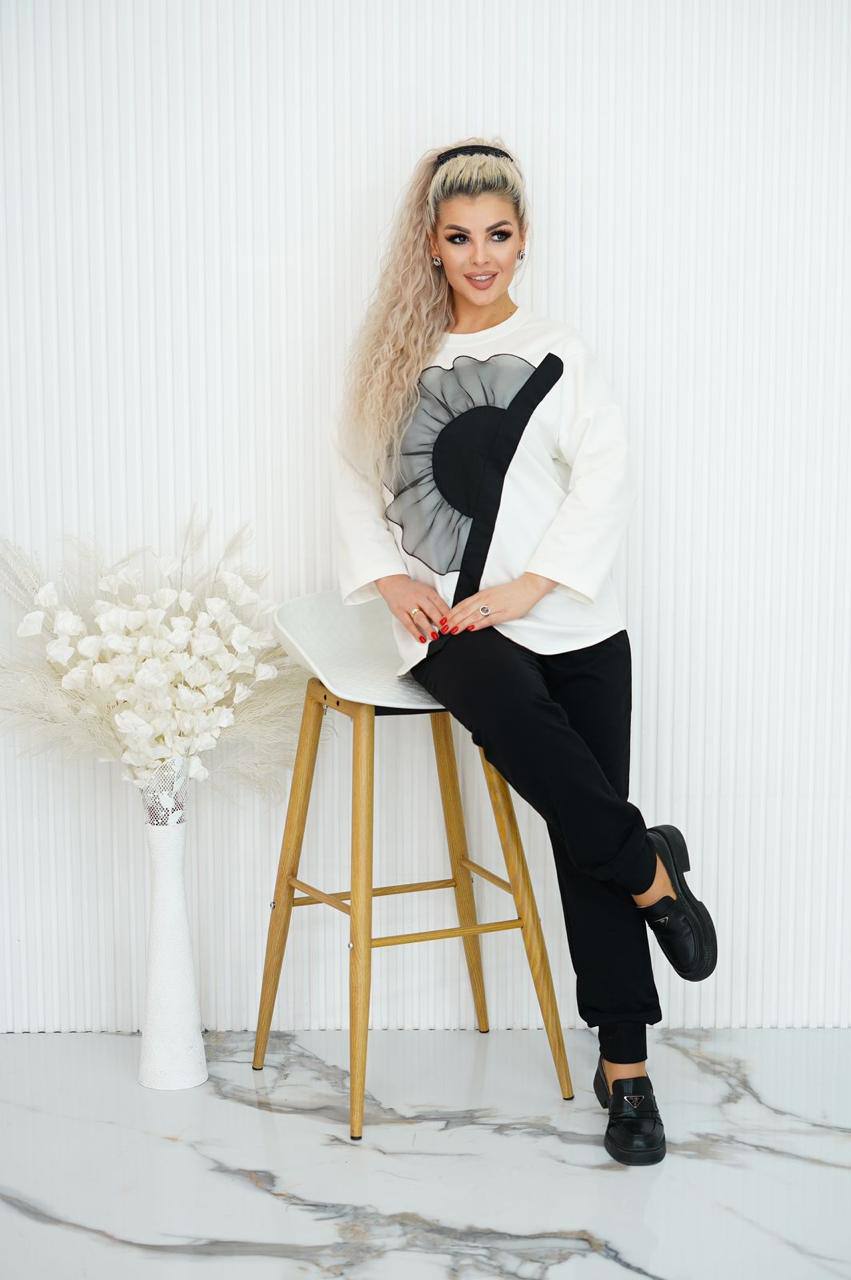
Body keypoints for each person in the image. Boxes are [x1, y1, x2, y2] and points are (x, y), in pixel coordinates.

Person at [330, 136, 717, 1167]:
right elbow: (351, 480)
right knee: (596, 818)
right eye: (459, 238)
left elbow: (603, 479)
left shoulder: (558, 348)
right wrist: (392, 581)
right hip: (452, 625)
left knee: (580, 831)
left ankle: (624, 1071)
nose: (479, 256)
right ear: (430, 244)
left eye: (495, 235)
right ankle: (652, 871)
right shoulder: (395, 357)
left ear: (522, 238)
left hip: (574, 619)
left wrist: (531, 585)